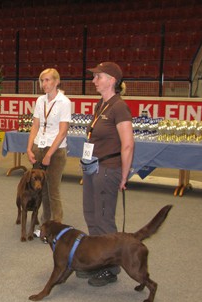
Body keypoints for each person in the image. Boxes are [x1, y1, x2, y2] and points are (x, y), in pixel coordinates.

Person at [80, 62, 134, 286]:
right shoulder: (101, 105)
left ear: (112, 80)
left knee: (104, 219)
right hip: (93, 167)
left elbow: (128, 144)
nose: (94, 81)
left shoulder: (119, 107)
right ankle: (97, 261)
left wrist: (123, 175)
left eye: (98, 77)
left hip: (108, 169)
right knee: (91, 215)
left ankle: (111, 268)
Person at [26, 68, 71, 233]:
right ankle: (45, 223)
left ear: (56, 81)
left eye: (48, 80)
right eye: (42, 80)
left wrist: (49, 154)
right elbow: (35, 126)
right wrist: (30, 148)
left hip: (56, 150)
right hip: (39, 146)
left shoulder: (64, 102)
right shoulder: (40, 101)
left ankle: (57, 226)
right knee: (41, 188)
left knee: (53, 189)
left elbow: (63, 131)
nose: (44, 84)